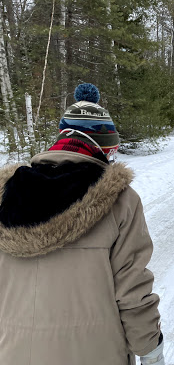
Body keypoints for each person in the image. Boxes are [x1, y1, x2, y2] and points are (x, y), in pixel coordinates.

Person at [0, 83, 164, 365]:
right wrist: (150, 350)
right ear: (105, 146)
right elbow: (132, 290)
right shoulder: (121, 200)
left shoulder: (6, 193)